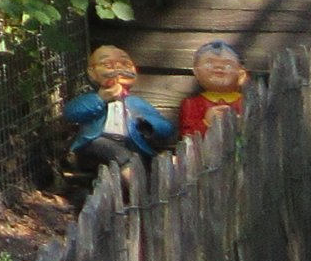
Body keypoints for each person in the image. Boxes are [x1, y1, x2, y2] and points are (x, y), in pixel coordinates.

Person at [64, 43, 174, 171]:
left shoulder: (136, 103)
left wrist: (149, 125)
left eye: (125, 64)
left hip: (130, 145)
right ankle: (132, 178)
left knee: (138, 157)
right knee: (103, 145)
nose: (118, 70)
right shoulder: (90, 99)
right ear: (92, 73)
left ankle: (133, 179)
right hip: (95, 147)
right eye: (108, 65)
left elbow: (166, 128)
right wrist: (100, 99)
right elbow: (70, 113)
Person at [178, 39, 249, 136]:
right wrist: (206, 123)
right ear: (196, 72)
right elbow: (187, 135)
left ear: (241, 74)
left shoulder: (247, 103)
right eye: (208, 64)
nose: (218, 67)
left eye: (228, 65)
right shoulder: (191, 104)